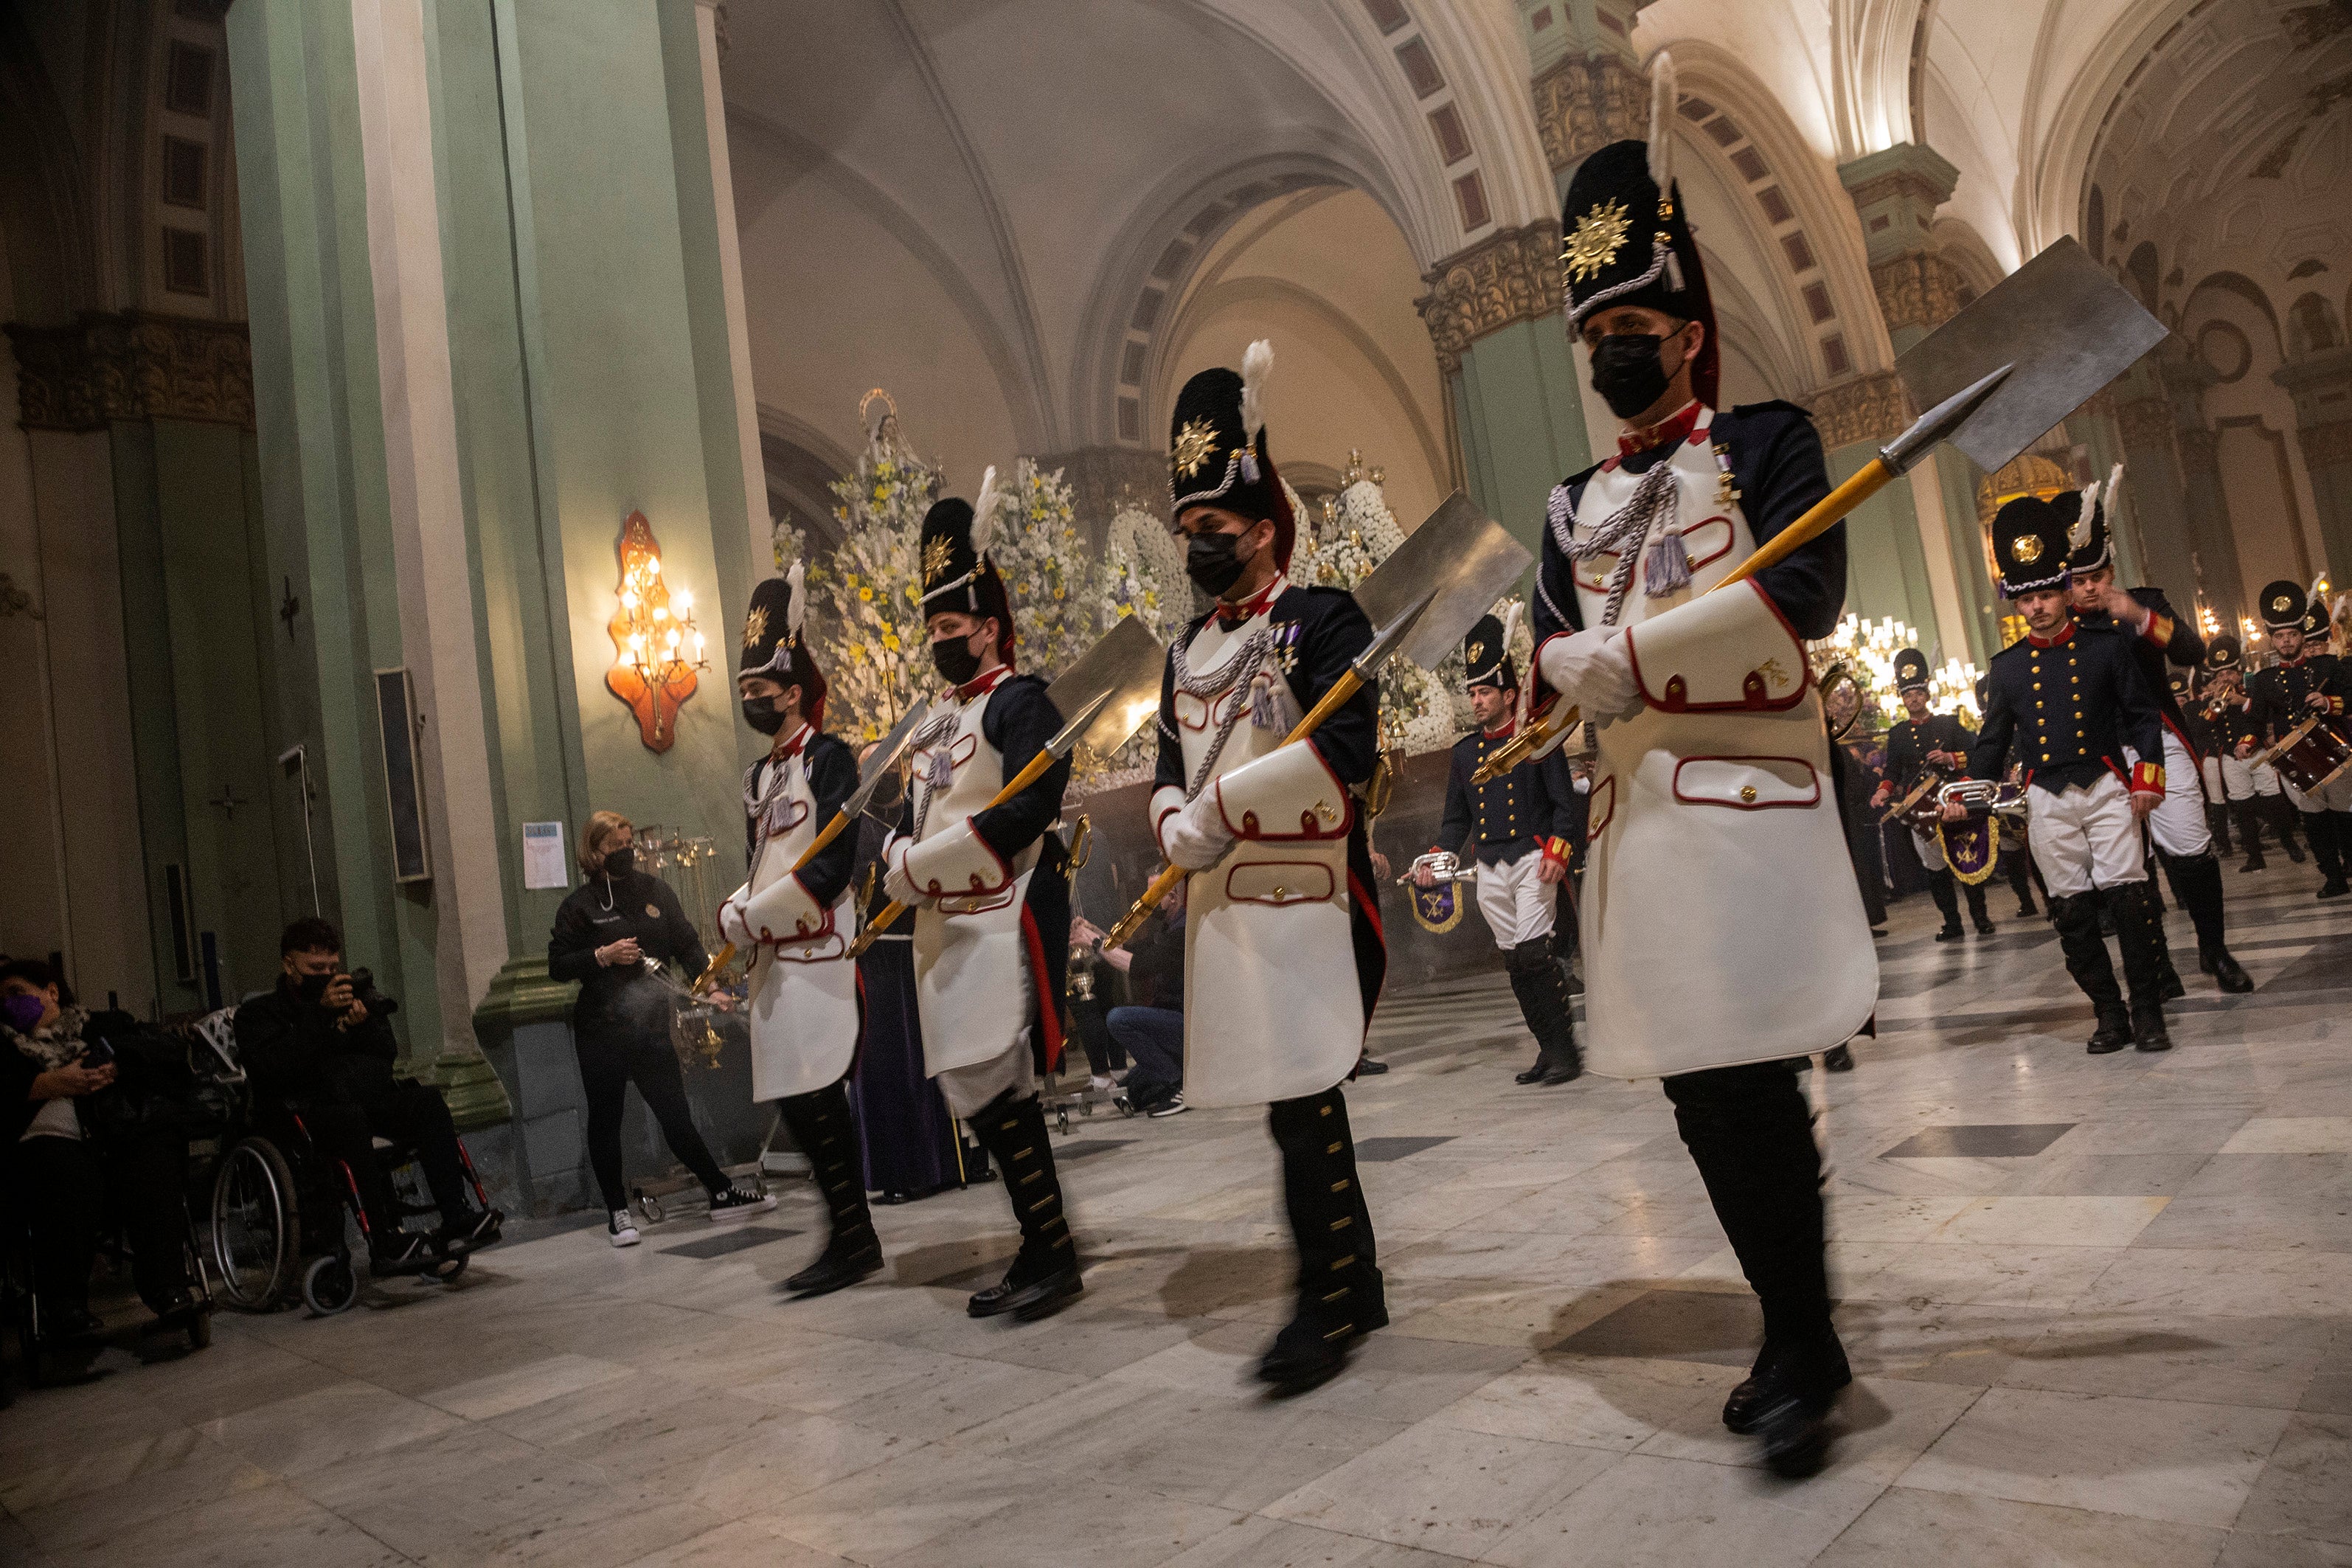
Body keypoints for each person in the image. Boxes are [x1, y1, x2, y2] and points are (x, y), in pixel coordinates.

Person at [1527, 79, 1875, 1473]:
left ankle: (1803, 1331)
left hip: (1746, 803)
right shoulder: (1567, 503)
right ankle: (1789, 1321)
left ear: (1684, 332)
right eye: (1595, 336)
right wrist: (1557, 668)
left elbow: (1805, 586)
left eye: (1633, 330)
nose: (1614, 353)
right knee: (1695, 1084)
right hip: (1636, 826)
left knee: (1749, 1066)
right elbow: (1553, 645)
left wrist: (1636, 659)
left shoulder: (1767, 442)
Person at [1149, 343, 1390, 1390]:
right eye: (1189, 532)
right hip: (1223, 908)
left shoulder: (1321, 620)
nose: (1201, 547)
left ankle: (1324, 1302)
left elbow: (1345, 760)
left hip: (1306, 896)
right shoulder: (1184, 647)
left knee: (1305, 1098)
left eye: (1216, 531)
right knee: (1289, 1099)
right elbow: (1165, 759)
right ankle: (1360, 1281)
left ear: (1261, 526)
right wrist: (1170, 821)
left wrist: (1220, 808)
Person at [881, 476, 1082, 1322]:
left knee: (1005, 1090)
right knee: (978, 1096)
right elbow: (903, 810)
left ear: (989, 626)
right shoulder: (931, 721)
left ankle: (1053, 1249)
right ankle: (1041, 1241)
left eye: (951, 628)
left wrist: (948, 854)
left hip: (1000, 915)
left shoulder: (1019, 700)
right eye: (931, 628)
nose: (939, 642)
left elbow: (1036, 793)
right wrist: (897, 850)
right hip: (943, 928)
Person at [716, 568, 881, 1298]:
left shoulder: (830, 757)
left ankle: (852, 1236)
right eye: (744, 691)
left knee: (821, 1099)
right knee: (795, 1104)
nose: (752, 701)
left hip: (818, 951)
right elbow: (760, 863)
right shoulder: (757, 776)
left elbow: (832, 864)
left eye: (762, 691)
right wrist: (736, 908)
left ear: (791, 690)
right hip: (771, 964)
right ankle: (848, 1233)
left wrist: (762, 912)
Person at [1966, 496, 2173, 1052]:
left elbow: (2140, 714)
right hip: (2045, 799)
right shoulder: (2007, 668)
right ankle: (2108, 1013)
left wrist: (2148, 778)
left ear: (2062, 592)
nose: (2035, 608)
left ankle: (2147, 1011)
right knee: (2073, 913)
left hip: (2106, 786)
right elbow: (1991, 742)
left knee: (2130, 902)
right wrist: (1962, 794)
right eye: (2025, 599)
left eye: (2043, 595)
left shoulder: (2103, 648)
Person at [549, 814, 772, 1245]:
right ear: (595, 852)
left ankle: (721, 1193)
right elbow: (557, 965)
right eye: (616, 846)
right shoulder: (579, 906)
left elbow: (687, 945)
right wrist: (603, 955)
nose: (627, 852)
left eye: (629, 843)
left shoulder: (655, 892)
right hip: (601, 1029)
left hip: (651, 1027)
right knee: (606, 1120)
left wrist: (710, 987)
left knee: (675, 1115)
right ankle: (618, 1213)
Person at [2064, 478, 2248, 991]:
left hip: (2160, 741)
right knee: (2129, 866)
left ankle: (2214, 950)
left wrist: (2142, 618)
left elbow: (2190, 651)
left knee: (2190, 848)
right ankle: (2158, 965)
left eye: (2096, 577)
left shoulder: (2145, 603)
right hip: (2100, 752)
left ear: (2111, 572)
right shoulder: (2063, 631)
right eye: (2078, 581)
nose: (2088, 588)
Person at [236, 921, 492, 1274]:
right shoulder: (258, 1014)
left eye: (331, 967)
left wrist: (364, 1024)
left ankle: (457, 1216)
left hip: (360, 1098)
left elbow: (385, 1056)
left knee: (427, 1102)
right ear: (289, 965)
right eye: (315, 969)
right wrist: (321, 1015)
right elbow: (279, 1068)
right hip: (304, 1115)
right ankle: (384, 1240)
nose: (325, 975)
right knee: (350, 1120)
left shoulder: (349, 997)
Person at [1420, 605, 1582, 1085]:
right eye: (1471, 692)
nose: (1475, 701)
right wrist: (1437, 855)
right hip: (1488, 867)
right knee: (1515, 963)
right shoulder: (1465, 753)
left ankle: (1565, 1052)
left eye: (1484, 691)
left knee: (1536, 955)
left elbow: (1564, 804)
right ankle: (1545, 1048)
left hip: (1533, 859)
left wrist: (1559, 849)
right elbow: (1456, 821)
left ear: (1510, 694)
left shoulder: (1535, 740)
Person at [4, 960, 204, 1344]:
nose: (8, 1004)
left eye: (16, 992)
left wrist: (116, 1066)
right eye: (1, 999)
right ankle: (64, 1306)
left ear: (52, 991)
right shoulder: (7, 1051)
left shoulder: (103, 1026)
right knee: (59, 1168)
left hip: (117, 1141)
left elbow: (164, 1054)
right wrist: (47, 1083)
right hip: (54, 1156)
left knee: (153, 1154)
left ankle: (168, 1288)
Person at [1869, 649, 1994, 940]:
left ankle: (1982, 918)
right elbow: (1893, 772)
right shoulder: (1898, 734)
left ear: (1926, 694)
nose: (1913, 699)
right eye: (1907, 694)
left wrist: (1951, 758)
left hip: (1954, 800)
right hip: (1921, 808)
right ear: (1902, 698)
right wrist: (1882, 791)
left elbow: (1978, 755)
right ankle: (1952, 923)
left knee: (1967, 861)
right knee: (1935, 868)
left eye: (1918, 693)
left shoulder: (1948, 724)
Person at [2246, 580, 2351, 900]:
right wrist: (2246, 741)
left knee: (2345, 814)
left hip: (2332, 750)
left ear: (2302, 636)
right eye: (2279, 636)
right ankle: (2332, 876)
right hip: (2295, 758)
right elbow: (2254, 719)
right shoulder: (2263, 680)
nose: (2286, 641)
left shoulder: (2329, 666)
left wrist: (2329, 702)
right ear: (2272, 639)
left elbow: (2350, 697)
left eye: (2292, 635)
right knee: (2314, 821)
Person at [1080, 879, 1187, 1117]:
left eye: (1153, 893)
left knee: (1119, 1018)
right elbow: (1131, 950)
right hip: (1170, 1025)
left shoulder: (1183, 932)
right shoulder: (1167, 929)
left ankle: (1177, 1084)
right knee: (1126, 1096)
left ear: (1172, 896)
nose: (1146, 900)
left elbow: (1137, 966)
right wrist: (1095, 931)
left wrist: (1094, 943)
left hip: (1187, 1025)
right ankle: (1180, 1076)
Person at [2204, 635, 2303, 871]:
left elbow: (2261, 719)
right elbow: (2206, 724)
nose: (2225, 678)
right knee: (2242, 809)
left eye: (2229, 673)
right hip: (2231, 758)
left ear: (2239, 673)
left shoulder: (2254, 690)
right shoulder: (2214, 699)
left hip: (2258, 754)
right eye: (2220, 675)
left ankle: (2290, 844)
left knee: (2275, 801)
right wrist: (2214, 701)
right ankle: (2254, 856)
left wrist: (2240, 701)